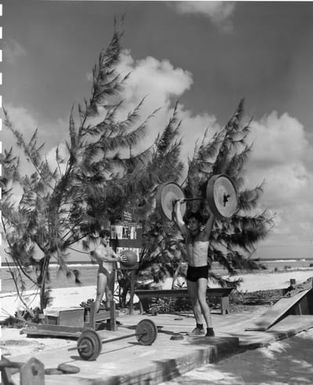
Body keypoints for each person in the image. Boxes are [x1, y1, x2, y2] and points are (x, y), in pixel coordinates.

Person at [173, 200, 215, 337]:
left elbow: (213, 214)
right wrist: (178, 204)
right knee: (193, 300)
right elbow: (179, 219)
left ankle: (210, 330)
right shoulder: (187, 235)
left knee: (202, 299)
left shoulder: (205, 234)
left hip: (202, 270)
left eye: (193, 222)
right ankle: (199, 327)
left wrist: (214, 200)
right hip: (191, 270)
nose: (190, 225)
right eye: (189, 222)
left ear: (199, 224)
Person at [90, 229, 127, 313]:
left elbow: (116, 256)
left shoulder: (109, 248)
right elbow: (104, 259)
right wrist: (117, 259)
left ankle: (110, 319)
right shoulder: (97, 250)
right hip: (103, 273)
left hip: (111, 273)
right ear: (101, 238)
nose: (107, 240)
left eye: (108, 239)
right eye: (106, 239)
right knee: (99, 295)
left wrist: (120, 265)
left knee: (109, 296)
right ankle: (94, 318)